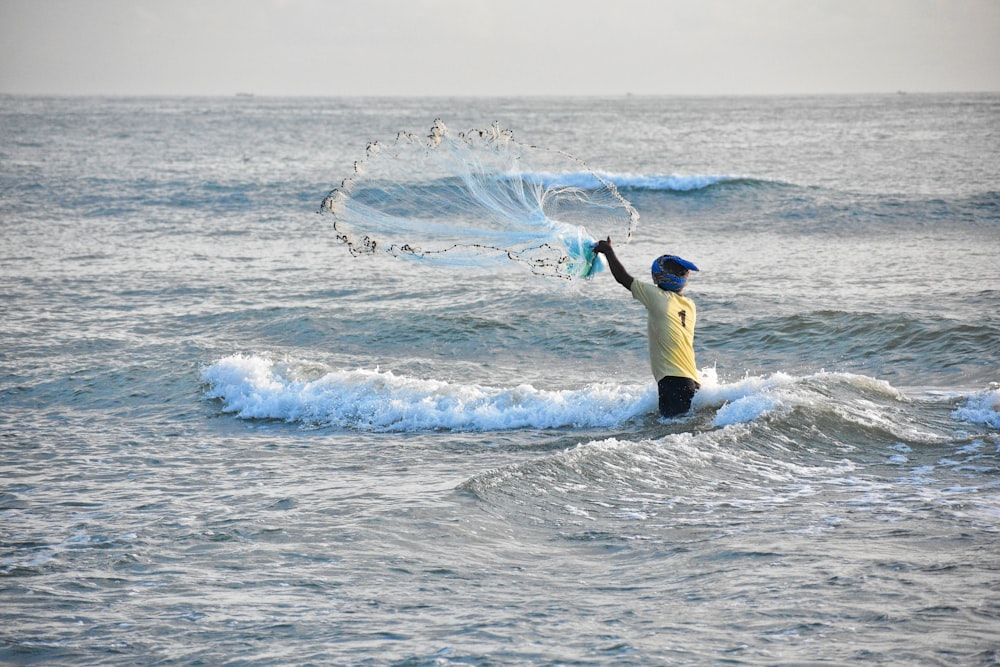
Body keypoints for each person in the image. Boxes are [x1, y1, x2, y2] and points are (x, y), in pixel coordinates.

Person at [592, 237, 701, 418]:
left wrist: (609, 252)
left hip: (672, 381)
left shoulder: (657, 297)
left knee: (671, 438)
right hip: (693, 382)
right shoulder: (689, 306)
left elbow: (622, 278)